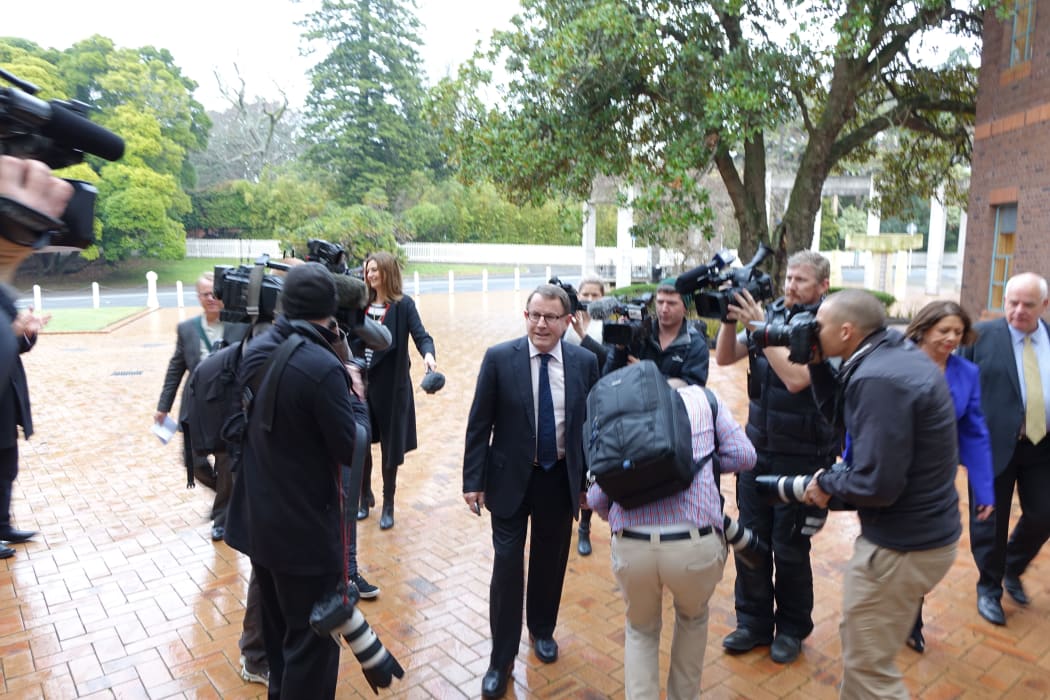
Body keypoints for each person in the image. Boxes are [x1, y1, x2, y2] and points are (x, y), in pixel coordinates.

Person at [803, 289, 960, 699]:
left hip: (901, 550)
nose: (811, 331)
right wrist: (818, 366)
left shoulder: (879, 379)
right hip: (922, 537)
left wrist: (824, 483)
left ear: (846, 330)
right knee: (863, 658)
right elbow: (845, 421)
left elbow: (875, 484)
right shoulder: (888, 353)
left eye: (818, 326)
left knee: (870, 671)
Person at [224, 263, 370, 698]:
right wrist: (356, 397)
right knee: (310, 650)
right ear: (332, 308)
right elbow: (351, 449)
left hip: (259, 524)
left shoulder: (258, 346)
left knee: (280, 644)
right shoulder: (323, 366)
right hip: (305, 534)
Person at [462, 283, 599, 699]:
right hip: (507, 480)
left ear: (567, 321)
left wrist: (585, 482)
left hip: (558, 478)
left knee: (549, 561)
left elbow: (589, 428)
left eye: (551, 317)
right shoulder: (500, 358)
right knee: (506, 566)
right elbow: (478, 421)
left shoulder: (584, 362)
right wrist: (473, 481)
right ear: (526, 316)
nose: (541, 323)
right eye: (534, 315)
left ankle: (542, 630)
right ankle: (500, 660)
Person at [587, 379, 756, 699]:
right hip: (694, 545)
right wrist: (705, 464)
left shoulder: (622, 414)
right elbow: (746, 456)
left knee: (640, 630)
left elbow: (596, 497)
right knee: (692, 619)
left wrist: (616, 512)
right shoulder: (706, 401)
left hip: (632, 545)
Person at [713, 250, 838, 664]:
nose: (790, 286)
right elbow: (725, 356)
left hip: (803, 457)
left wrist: (760, 327)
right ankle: (752, 622)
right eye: (789, 278)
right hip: (757, 451)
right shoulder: (776, 317)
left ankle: (791, 628)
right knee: (751, 542)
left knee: (788, 548)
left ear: (823, 286)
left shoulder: (827, 327)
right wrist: (731, 319)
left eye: (801, 281)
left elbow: (799, 379)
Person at [901, 300, 995, 651]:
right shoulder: (894, 361)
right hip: (890, 472)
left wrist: (984, 490)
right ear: (924, 329)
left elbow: (975, 432)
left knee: (922, 549)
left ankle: (912, 619)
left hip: (933, 478)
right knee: (889, 549)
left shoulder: (966, 374)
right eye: (944, 331)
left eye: (958, 332)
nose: (952, 338)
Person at [960, 272, 1050, 627]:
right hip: (990, 447)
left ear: (1044, 305)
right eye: (1012, 302)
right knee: (989, 523)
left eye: (1028, 304)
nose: (1017, 311)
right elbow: (959, 391)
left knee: (1044, 514)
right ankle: (989, 588)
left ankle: (1011, 567)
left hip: (1041, 446)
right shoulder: (981, 337)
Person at [0, 155, 74, 559]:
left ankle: (3, 524)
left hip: (7, 400)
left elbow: (14, 346)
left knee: (6, 470)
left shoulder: (5, 297)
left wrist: (26, 333)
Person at [153, 272, 247, 540]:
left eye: (215, 293)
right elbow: (176, 368)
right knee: (192, 461)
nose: (211, 299)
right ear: (199, 297)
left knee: (227, 462)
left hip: (229, 407)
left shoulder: (239, 326)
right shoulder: (187, 329)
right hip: (196, 407)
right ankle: (231, 498)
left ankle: (222, 518)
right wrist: (163, 406)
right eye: (206, 294)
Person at [353, 251, 437, 529]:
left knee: (390, 448)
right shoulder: (360, 304)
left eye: (375, 270)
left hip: (392, 387)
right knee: (360, 443)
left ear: (388, 272)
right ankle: (364, 497)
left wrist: (428, 355)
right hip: (360, 384)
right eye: (367, 270)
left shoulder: (403, 305)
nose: (370, 275)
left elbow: (421, 335)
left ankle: (389, 503)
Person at [563, 275, 607, 555]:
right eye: (585, 295)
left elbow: (606, 359)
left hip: (597, 402)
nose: (589, 300)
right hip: (567, 400)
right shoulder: (565, 319)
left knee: (589, 467)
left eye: (595, 295)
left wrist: (583, 335)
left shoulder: (607, 324)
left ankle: (585, 527)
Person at [605, 281, 708, 386]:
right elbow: (608, 379)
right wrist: (619, 348)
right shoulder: (638, 333)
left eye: (671, 303)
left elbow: (693, 390)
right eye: (660, 302)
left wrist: (648, 374)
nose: (664, 309)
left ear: (685, 308)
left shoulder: (695, 344)